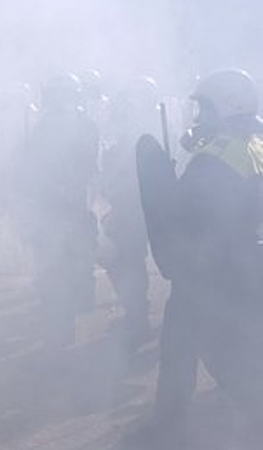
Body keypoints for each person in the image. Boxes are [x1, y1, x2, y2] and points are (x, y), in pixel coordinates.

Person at [124, 68, 263, 449]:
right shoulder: (253, 143)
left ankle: (172, 430)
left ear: (225, 106)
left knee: (208, 355)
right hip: (240, 265)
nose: (200, 117)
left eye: (205, 108)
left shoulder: (214, 159)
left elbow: (186, 215)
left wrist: (161, 182)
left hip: (208, 274)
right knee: (204, 350)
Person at [13, 73, 100, 348]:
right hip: (54, 208)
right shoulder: (48, 127)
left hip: (67, 206)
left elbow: (85, 165)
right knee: (55, 269)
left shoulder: (79, 126)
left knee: (68, 267)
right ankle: (60, 328)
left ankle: (63, 326)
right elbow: (31, 166)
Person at [98, 76, 159, 350]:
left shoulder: (144, 131)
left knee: (125, 260)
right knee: (124, 259)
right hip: (133, 206)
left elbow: (127, 172)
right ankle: (137, 315)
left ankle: (138, 319)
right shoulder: (143, 127)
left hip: (134, 208)